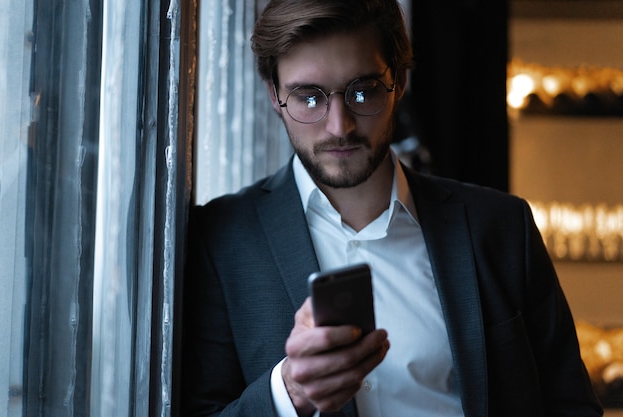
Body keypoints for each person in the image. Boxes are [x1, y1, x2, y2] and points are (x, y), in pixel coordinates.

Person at [180, 0, 603, 416]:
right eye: (309, 98)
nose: (339, 125)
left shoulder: (501, 227)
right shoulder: (219, 239)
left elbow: (571, 406)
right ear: (275, 95)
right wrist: (288, 393)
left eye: (363, 92)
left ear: (399, 81)